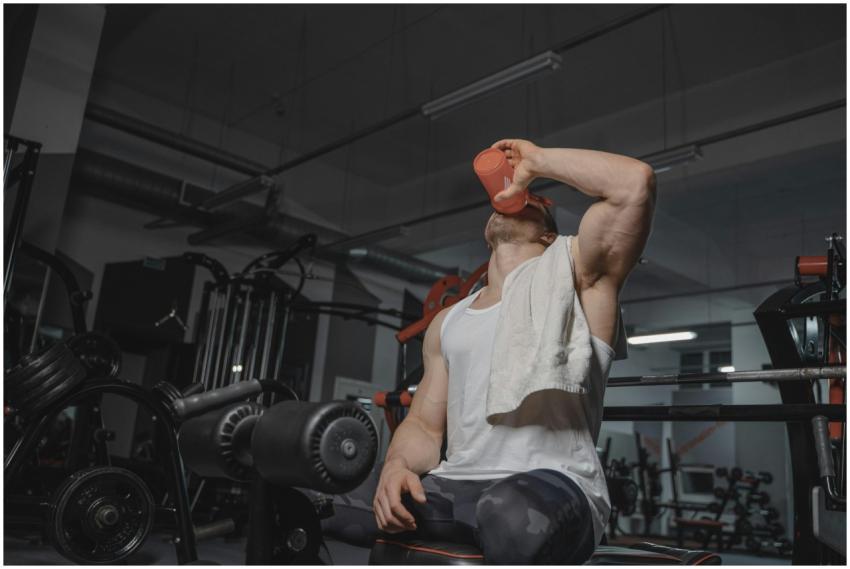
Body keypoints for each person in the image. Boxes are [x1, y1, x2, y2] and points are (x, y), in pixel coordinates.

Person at [326, 139, 655, 564]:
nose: (517, 195)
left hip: (551, 485)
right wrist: (396, 466)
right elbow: (426, 427)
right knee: (315, 487)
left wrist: (536, 163)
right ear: (487, 231)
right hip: (456, 483)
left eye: (532, 199)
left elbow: (635, 183)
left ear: (549, 234)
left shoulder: (580, 281)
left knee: (507, 513)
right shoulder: (449, 321)